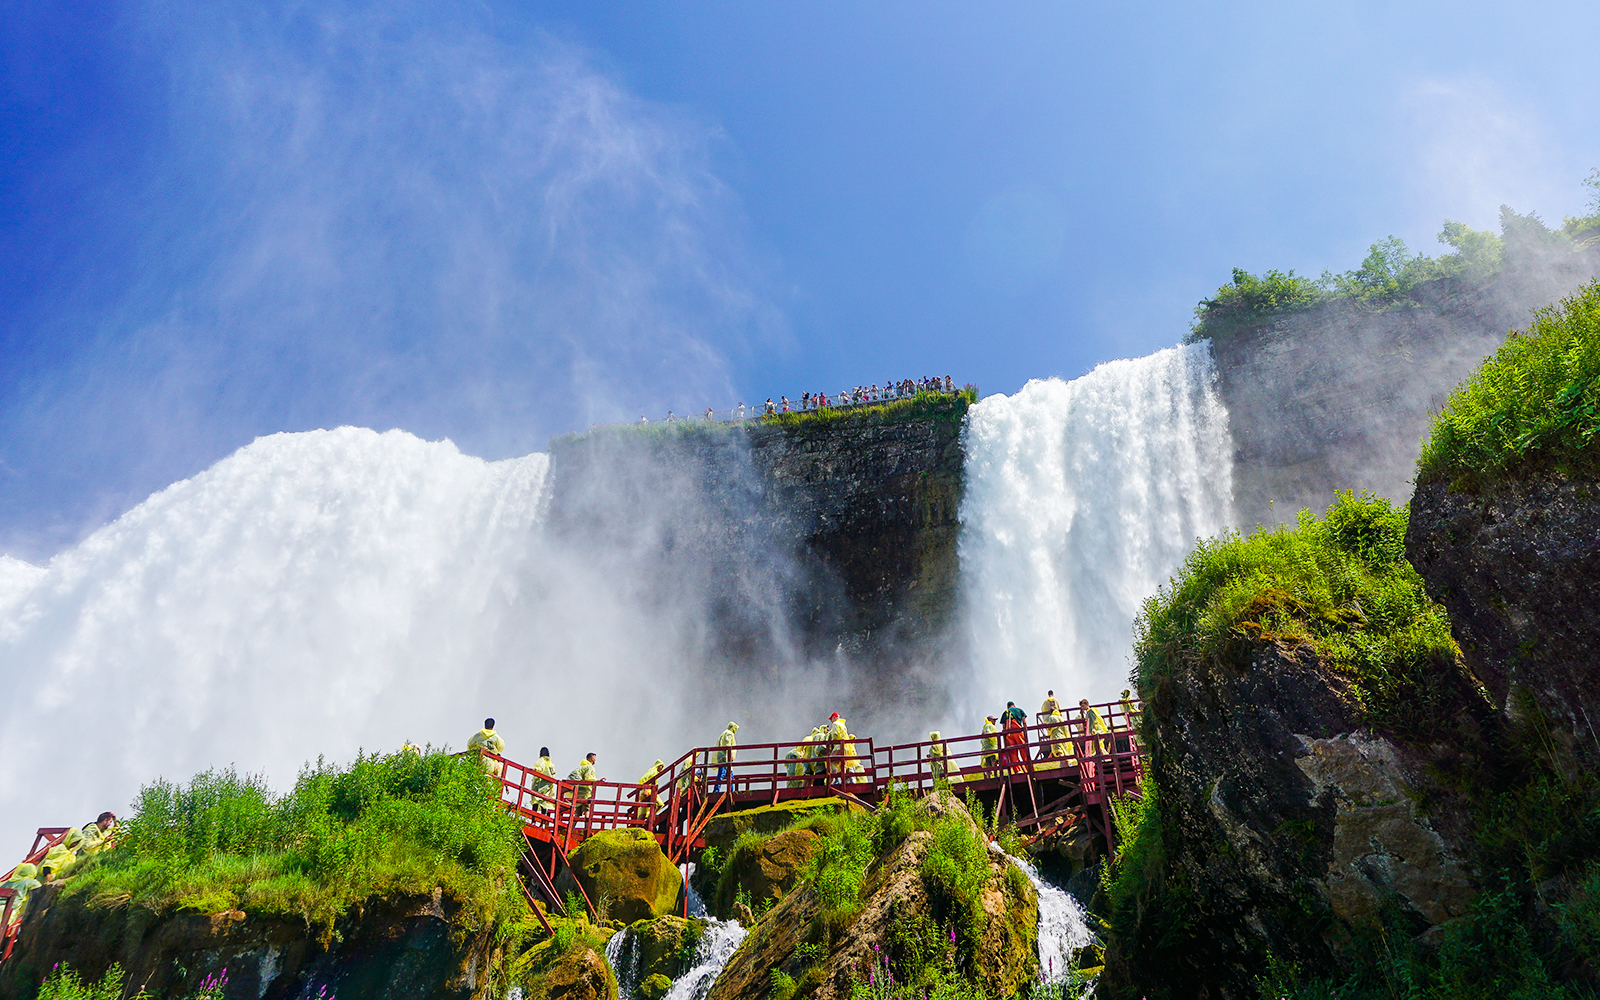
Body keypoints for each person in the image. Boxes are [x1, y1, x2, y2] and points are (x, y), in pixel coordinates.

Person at [1001, 701, 1029, 771]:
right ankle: (1029, 769)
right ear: (1014, 705)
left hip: (1009, 734)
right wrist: (1025, 732)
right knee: (1023, 751)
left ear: (1007, 707)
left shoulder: (1005, 713)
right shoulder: (1019, 710)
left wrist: (1005, 738)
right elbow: (1024, 722)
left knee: (1012, 753)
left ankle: (1017, 770)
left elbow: (1004, 727)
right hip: (1018, 732)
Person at [712, 721, 739, 793]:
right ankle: (717, 790)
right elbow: (727, 744)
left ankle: (730, 790)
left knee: (729, 775)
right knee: (722, 774)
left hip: (724, 758)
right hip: (725, 758)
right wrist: (730, 754)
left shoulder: (725, 733)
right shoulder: (729, 733)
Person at [1040, 691, 1068, 759]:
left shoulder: (1045, 702)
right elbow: (1060, 710)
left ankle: (1062, 761)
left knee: (1058, 747)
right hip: (1060, 727)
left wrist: (1047, 724)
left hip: (1053, 729)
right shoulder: (1056, 701)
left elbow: (1044, 714)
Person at [531, 747, 558, 813]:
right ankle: (543, 820)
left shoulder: (541, 761)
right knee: (545, 802)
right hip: (548, 785)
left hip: (540, 784)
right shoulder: (551, 764)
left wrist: (534, 770)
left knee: (536, 800)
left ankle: (533, 818)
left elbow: (539, 768)